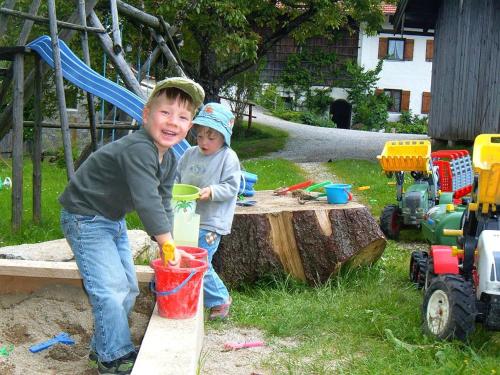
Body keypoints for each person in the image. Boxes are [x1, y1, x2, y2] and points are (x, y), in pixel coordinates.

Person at [59, 77, 204, 374]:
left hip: (110, 218)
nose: (172, 122)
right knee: (109, 291)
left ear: (189, 127)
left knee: (127, 289)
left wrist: (171, 242)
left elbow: (163, 201)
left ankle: (105, 348)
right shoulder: (139, 149)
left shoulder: (168, 159)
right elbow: (147, 201)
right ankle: (113, 358)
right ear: (146, 114)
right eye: (165, 113)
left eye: (182, 117)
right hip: (85, 217)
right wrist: (165, 243)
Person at [176, 102, 241, 320]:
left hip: (212, 221)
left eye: (211, 137)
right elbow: (177, 177)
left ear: (224, 137)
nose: (204, 141)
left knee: (200, 262)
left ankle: (219, 300)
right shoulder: (189, 154)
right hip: (185, 217)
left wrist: (211, 191)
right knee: (183, 258)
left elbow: (233, 187)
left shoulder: (227, 157)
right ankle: (187, 296)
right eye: (200, 135)